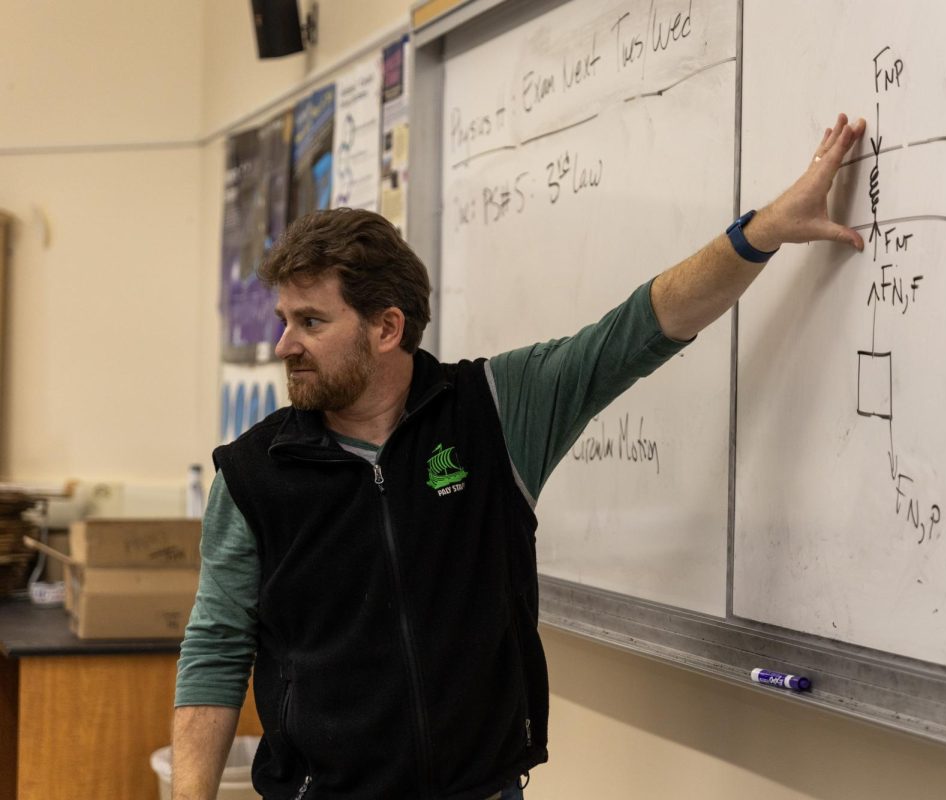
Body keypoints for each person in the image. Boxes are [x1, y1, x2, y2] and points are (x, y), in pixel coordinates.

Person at [171, 114, 867, 800]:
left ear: (387, 328)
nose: (284, 345)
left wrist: (765, 230)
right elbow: (216, 650)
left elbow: (641, 328)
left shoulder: (494, 410)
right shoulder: (254, 475)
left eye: (311, 322)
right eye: (284, 321)